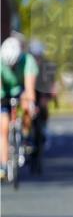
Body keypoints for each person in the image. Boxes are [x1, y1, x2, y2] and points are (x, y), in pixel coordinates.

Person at [1, 36, 39, 181]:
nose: (11, 68)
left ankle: (24, 135)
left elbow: (30, 90)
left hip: (20, 89)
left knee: (28, 107)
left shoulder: (28, 61)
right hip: (3, 91)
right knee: (3, 128)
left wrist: (30, 104)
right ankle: (3, 166)